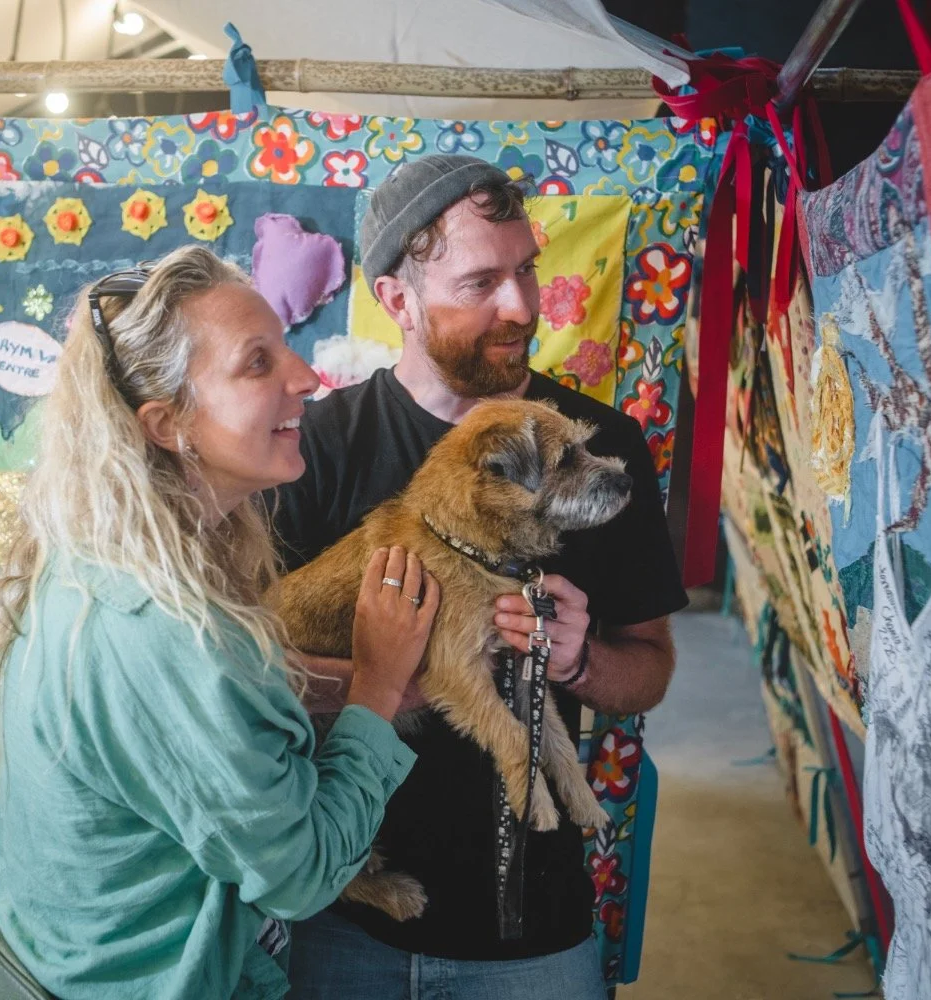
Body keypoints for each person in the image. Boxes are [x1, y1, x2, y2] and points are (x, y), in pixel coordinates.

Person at [0, 245, 442, 1000]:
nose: (307, 378)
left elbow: (178, 724)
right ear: (168, 424)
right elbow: (301, 875)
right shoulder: (169, 632)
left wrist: (322, 685)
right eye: (258, 364)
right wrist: (376, 691)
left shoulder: (94, 561)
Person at [274, 155, 688, 996]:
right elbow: (236, 673)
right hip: (338, 920)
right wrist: (389, 682)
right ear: (397, 301)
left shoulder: (603, 452)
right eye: (480, 282)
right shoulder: (307, 450)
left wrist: (579, 661)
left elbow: (648, 669)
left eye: (528, 271)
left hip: (534, 933)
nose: (523, 307)